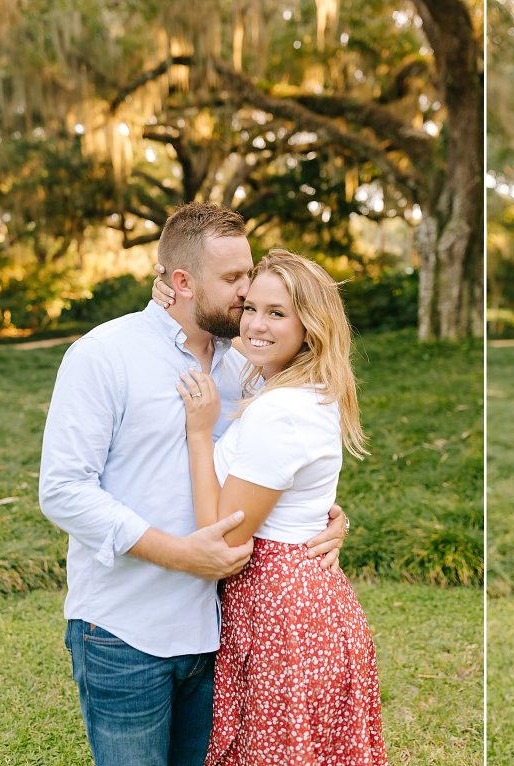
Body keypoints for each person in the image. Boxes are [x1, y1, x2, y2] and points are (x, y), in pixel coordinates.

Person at [39, 203, 347, 766]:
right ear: (181, 281)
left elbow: (272, 460)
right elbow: (63, 490)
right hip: (126, 631)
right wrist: (181, 554)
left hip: (220, 634)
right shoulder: (104, 355)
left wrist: (320, 514)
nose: (246, 291)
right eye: (233, 279)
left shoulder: (244, 361)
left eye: (248, 274)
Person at [176, 250, 387, 765]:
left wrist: (200, 432)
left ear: (310, 327)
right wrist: (170, 294)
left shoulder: (280, 410)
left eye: (277, 313)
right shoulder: (307, 389)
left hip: (280, 607)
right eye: (250, 308)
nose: (254, 325)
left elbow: (223, 536)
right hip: (305, 598)